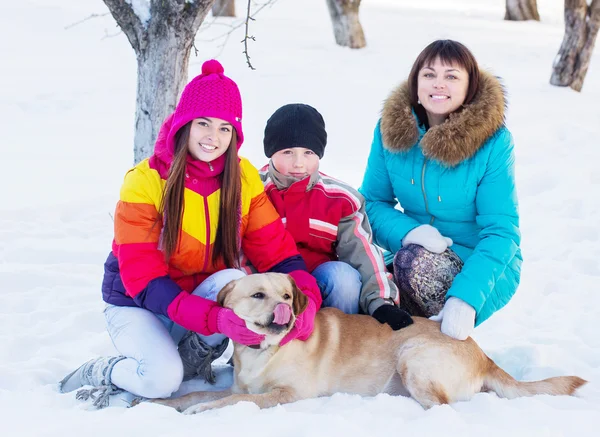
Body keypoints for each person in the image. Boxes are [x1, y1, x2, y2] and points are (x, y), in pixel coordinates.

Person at [58, 60, 321, 408]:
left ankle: (190, 361)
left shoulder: (241, 176)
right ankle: (105, 371)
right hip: (138, 302)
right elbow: (143, 279)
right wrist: (216, 319)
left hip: (196, 298)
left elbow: (279, 254)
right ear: (185, 124)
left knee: (230, 278)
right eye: (204, 124)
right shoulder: (145, 181)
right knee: (160, 380)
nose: (214, 137)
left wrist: (307, 302)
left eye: (226, 128)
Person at [359, 40, 522, 341]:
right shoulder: (390, 130)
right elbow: (370, 202)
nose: (439, 84)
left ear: (469, 86)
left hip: (481, 265)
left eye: (451, 76)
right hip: (410, 251)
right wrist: (409, 233)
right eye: (429, 74)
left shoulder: (493, 142)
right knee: (353, 280)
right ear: (416, 83)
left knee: (413, 263)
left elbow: (501, 232)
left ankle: (433, 344)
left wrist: (466, 298)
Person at [250, 103, 413, 330]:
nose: (299, 163)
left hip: (320, 283)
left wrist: (380, 301)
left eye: (308, 153)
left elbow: (362, 252)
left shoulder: (339, 198)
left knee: (343, 277)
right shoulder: (252, 189)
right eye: (288, 152)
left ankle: (337, 346)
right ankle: (255, 344)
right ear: (271, 153)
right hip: (267, 283)